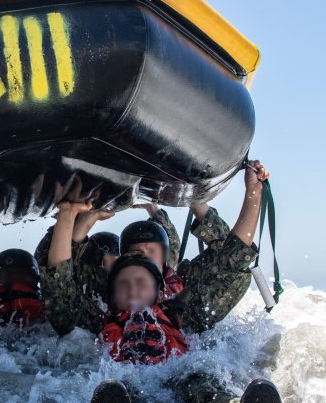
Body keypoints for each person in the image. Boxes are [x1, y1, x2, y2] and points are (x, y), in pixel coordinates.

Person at [42, 162, 282, 402]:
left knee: (200, 380)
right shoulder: (96, 321)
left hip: (182, 379)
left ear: (158, 290)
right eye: (124, 283)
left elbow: (233, 259)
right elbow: (58, 285)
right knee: (116, 388)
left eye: (141, 282)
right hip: (128, 386)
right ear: (111, 293)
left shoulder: (185, 315)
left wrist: (253, 193)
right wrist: (68, 215)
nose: (133, 288)